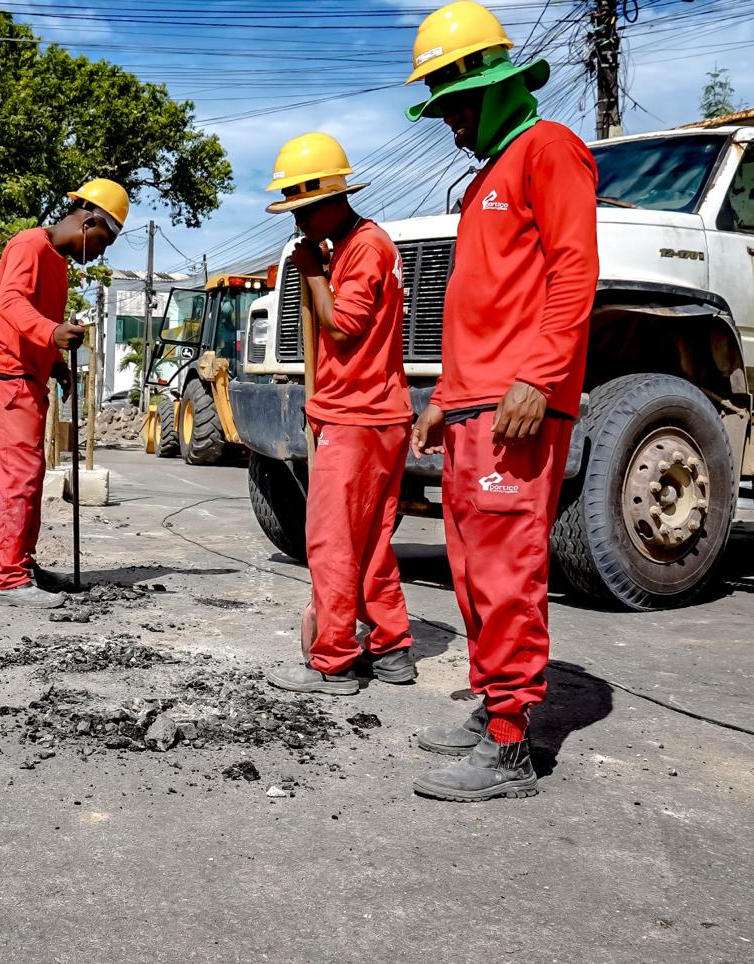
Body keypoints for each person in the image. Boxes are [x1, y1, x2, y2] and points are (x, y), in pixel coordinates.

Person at [405, 2, 599, 802]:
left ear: (488, 88)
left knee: (508, 569)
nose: (449, 123)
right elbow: (478, 305)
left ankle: (514, 748)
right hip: (473, 406)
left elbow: (574, 271)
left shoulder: (548, 151)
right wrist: (443, 399)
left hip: (516, 403)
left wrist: (539, 374)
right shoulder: (488, 175)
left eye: (453, 105)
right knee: (472, 569)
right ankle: (493, 710)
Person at [260, 132, 417, 697]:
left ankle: (333, 660)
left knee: (330, 540)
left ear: (330, 198)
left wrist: (313, 272)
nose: (298, 224)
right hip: (373, 413)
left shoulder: (363, 249)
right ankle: (393, 646)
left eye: (303, 211)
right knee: (370, 541)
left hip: (358, 416)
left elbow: (344, 324)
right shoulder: (356, 245)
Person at [0, 179, 128, 608]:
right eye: (103, 241)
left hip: (26, 376)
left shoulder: (56, 263)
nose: (100, 252)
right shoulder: (29, 245)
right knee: (20, 479)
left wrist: (58, 364)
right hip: (6, 376)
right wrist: (52, 332)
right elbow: (9, 304)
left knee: (32, 476)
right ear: (89, 221)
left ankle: (20, 563)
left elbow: (34, 320)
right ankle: (8, 578)